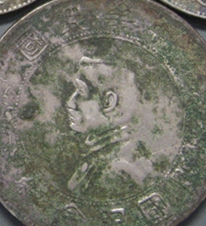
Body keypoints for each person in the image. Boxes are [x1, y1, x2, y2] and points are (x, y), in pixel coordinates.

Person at [65, 57, 153, 194]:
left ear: (108, 103)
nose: (70, 102)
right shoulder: (101, 156)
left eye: (81, 92)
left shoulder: (117, 171)